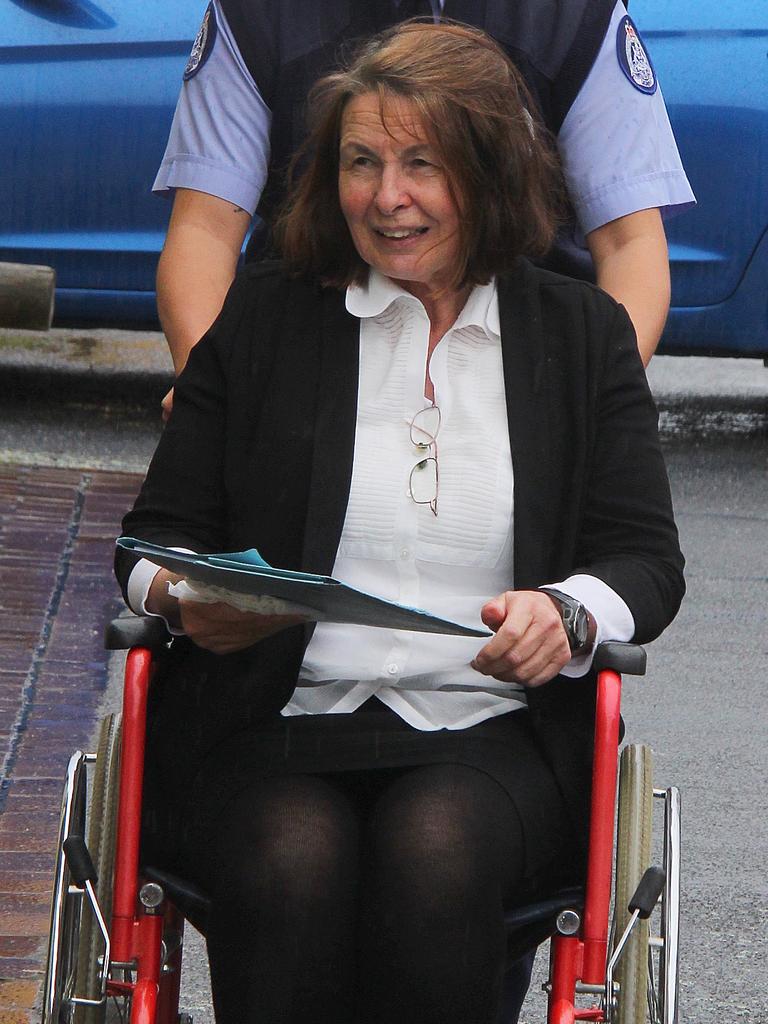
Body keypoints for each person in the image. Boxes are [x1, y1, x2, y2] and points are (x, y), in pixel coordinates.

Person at [117, 22, 685, 1024]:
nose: (388, 198)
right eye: (361, 163)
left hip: (491, 733)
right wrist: (183, 596)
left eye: (424, 164)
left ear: (491, 172)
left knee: (437, 850)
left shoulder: (580, 335)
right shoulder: (266, 318)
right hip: (275, 719)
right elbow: (152, 539)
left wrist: (568, 613)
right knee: (292, 857)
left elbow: (643, 559)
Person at [154, 0, 695, 422]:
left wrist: (597, 405)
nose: (391, 197)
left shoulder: (574, 13)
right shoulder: (257, 10)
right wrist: (212, 391)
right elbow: (204, 230)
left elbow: (631, 245)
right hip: (308, 360)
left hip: (525, 362)